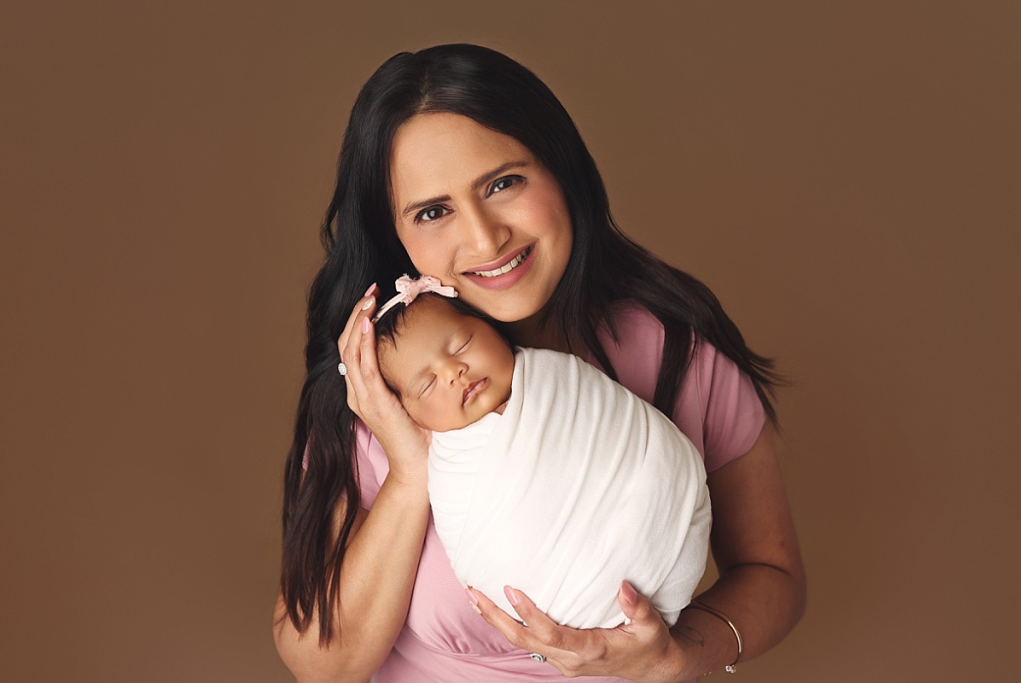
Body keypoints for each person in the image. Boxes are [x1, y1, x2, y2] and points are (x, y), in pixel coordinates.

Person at [274, 43, 805, 683]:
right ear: (398, 237)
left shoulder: (674, 351)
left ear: (563, 172)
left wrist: (677, 657)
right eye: (433, 211)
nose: (484, 237)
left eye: (503, 183)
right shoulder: (376, 391)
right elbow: (321, 666)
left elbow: (773, 576)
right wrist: (412, 468)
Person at [370, 278, 712, 631]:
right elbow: (484, 555)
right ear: (412, 417)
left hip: (674, 525)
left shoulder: (558, 378)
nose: (453, 372)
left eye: (461, 345)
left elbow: (620, 433)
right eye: (427, 385)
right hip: (570, 603)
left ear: (496, 331)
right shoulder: (451, 469)